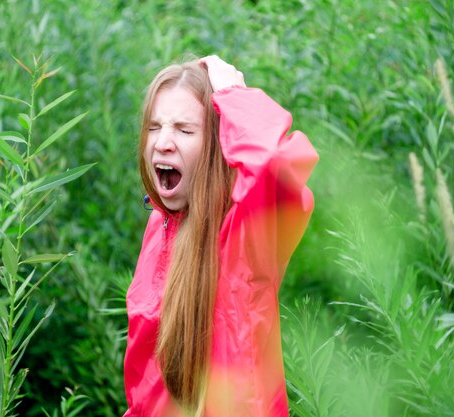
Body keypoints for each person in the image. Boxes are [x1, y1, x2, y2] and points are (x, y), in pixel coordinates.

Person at [123, 55, 318, 417]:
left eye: (184, 129)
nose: (163, 142)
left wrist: (234, 98)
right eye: (154, 127)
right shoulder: (162, 223)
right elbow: (147, 378)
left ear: (217, 145)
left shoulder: (245, 232)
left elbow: (277, 168)